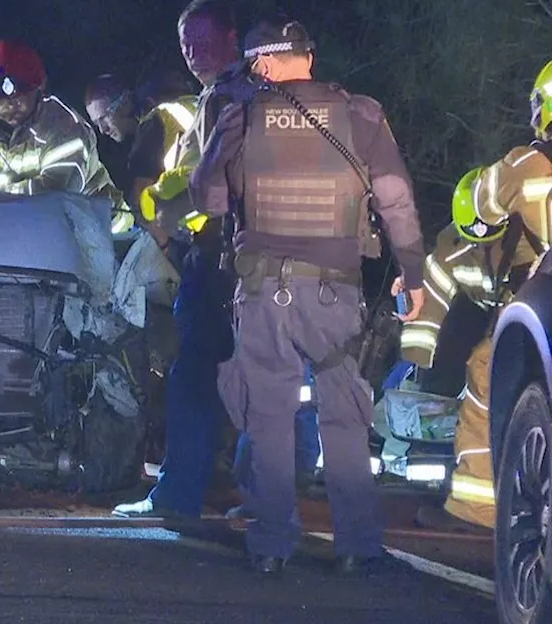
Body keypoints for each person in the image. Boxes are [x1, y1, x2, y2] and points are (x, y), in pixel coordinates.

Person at [190, 18, 427, 574]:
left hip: (261, 289)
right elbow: (395, 199)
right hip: (335, 293)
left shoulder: (241, 116)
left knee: (268, 414)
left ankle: (272, 545)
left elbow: (210, 200)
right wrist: (412, 274)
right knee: (344, 414)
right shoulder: (361, 114)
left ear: (265, 64)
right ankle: (357, 548)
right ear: (307, 57)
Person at [111, 0, 255, 521]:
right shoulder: (270, 98)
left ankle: (178, 496)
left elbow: (198, 182)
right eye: (186, 44)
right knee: (265, 379)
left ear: (233, 39)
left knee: (194, 374)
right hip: (265, 262)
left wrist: (168, 228)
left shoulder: (222, 100)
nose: (194, 54)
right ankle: (263, 502)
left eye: (203, 41)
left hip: (219, 261)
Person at [402, 66, 553, 529]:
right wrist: (417, 362)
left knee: (487, 369)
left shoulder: (527, 164)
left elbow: (484, 203)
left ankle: (476, 508)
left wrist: (417, 364)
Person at [0, 39, 134, 235]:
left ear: (40, 89)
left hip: (107, 237)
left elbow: (54, 197)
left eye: (21, 93)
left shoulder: (65, 128)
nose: (11, 104)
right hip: (32, 236)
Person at [85, 72, 197, 215]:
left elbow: (142, 204)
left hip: (197, 213)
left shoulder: (152, 127)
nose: (102, 130)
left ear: (124, 102)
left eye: (104, 118)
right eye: (97, 124)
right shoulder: (185, 102)